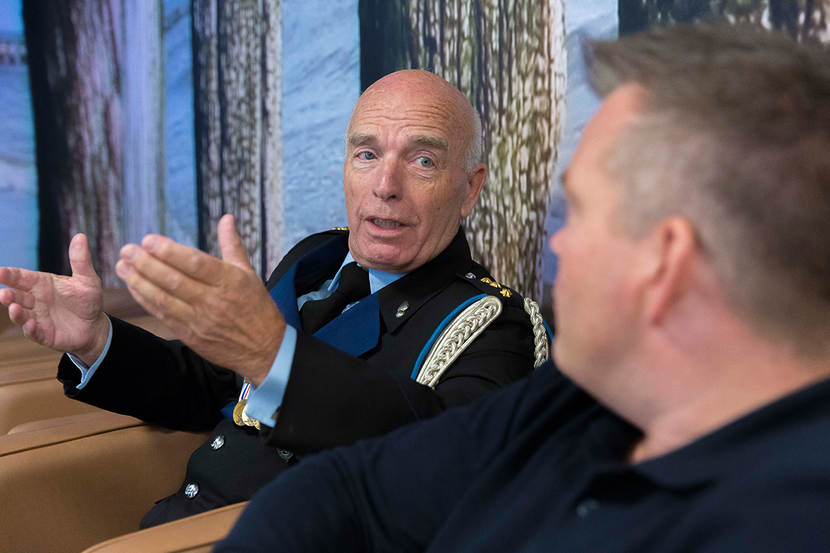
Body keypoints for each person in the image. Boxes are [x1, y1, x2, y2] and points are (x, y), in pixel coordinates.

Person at [214, 24, 830, 552]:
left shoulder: (783, 522)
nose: (557, 247)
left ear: (663, 262)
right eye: (366, 155)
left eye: (577, 212)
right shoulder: (570, 396)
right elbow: (353, 489)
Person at [0, 70, 544, 527]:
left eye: (422, 161)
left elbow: (446, 466)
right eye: (367, 153)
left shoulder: (494, 325)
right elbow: (216, 383)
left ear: (470, 188)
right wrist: (97, 341)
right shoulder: (317, 256)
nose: (385, 185)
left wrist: (274, 356)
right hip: (167, 517)